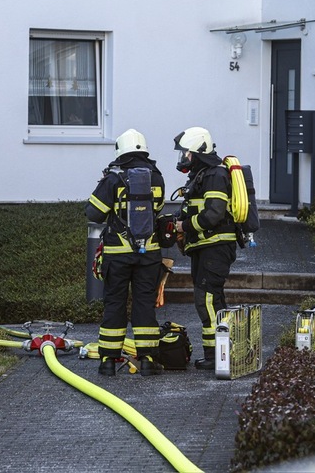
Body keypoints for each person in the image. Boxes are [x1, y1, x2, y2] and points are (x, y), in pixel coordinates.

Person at [86, 129, 166, 376]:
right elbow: (159, 210)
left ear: (121, 149)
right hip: (149, 254)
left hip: (117, 255)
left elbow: (93, 213)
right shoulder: (157, 177)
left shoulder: (113, 179)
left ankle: (108, 362)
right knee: (144, 304)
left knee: (115, 304)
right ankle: (149, 360)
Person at [172, 127, 238, 370]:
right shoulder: (202, 175)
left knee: (207, 299)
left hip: (216, 247)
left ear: (198, 152)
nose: (184, 158)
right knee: (213, 299)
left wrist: (185, 225)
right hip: (205, 247)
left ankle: (215, 356)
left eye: (187, 154)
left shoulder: (215, 176)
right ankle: (222, 351)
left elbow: (214, 214)